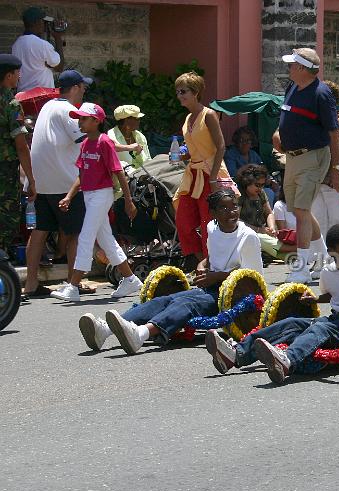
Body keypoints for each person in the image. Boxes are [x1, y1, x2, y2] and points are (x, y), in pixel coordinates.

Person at [77, 189, 263, 355]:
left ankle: (141, 334)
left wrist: (216, 276)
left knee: (185, 304)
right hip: (211, 285)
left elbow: (252, 278)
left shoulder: (248, 237)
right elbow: (212, 258)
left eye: (234, 207)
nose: (232, 212)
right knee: (164, 300)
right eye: (223, 208)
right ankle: (105, 330)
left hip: (233, 296)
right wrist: (202, 265)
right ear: (212, 213)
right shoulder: (212, 228)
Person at [205, 224, 339, 382]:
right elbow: (332, 296)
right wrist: (316, 299)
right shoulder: (328, 272)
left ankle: (287, 359)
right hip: (336, 320)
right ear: (332, 251)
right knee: (291, 323)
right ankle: (236, 354)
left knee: (320, 330)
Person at [50, 103, 142, 302]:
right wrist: (69, 196)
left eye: (83, 118)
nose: (79, 122)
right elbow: (82, 175)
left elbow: (119, 172)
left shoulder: (104, 142)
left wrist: (128, 200)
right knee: (107, 240)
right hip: (89, 195)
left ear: (96, 121)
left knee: (86, 237)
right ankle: (130, 279)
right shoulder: (84, 143)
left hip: (102, 194)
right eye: (79, 118)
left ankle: (73, 286)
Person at [272, 48, 339, 284]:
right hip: (292, 157)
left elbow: (335, 133)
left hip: (313, 157)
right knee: (299, 210)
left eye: (292, 64)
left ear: (303, 68)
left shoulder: (321, 94)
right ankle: (324, 257)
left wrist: (336, 169)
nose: (289, 67)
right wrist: (278, 133)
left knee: (301, 211)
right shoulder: (292, 88)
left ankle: (301, 268)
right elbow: (287, 116)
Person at [23, 69, 91, 298]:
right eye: (83, 87)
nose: (84, 92)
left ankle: (31, 284)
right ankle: (74, 283)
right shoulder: (69, 110)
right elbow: (86, 140)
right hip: (65, 183)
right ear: (74, 88)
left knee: (40, 232)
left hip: (43, 183)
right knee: (75, 233)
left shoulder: (48, 107)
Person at [174, 71, 236, 262]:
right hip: (193, 173)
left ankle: (211, 264)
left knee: (208, 221)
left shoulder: (208, 114)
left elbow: (221, 146)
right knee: (183, 219)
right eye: (177, 92)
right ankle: (202, 261)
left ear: (195, 92)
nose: (179, 95)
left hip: (210, 172)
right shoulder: (188, 118)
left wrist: (214, 178)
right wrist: (182, 154)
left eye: (183, 91)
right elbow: (194, 148)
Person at [0, 54, 35, 257]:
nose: (19, 77)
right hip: (5, 172)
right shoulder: (11, 105)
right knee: (7, 218)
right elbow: (21, 146)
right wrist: (31, 179)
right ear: (8, 75)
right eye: (17, 73)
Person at [310, 80, 339, 240]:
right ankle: (324, 258)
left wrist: (336, 171)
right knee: (319, 219)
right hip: (318, 178)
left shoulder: (337, 120)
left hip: (332, 179)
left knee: (337, 221)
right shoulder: (316, 118)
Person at [236, 164, 294, 261]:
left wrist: (271, 227)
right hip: (246, 234)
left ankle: (290, 255)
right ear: (246, 182)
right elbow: (237, 221)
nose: (260, 188)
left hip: (263, 232)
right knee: (259, 238)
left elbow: (269, 213)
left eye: (262, 185)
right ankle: (296, 249)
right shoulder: (239, 195)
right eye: (257, 185)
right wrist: (259, 230)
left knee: (271, 239)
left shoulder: (261, 193)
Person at [11, 7, 65, 92]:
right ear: (36, 22)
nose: (44, 25)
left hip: (23, 95)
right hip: (42, 95)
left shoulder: (16, 45)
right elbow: (59, 67)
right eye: (43, 22)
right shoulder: (42, 44)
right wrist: (58, 38)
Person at [107, 105, 150, 171]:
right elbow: (110, 146)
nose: (139, 121)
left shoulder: (140, 136)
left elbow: (148, 159)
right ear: (126, 120)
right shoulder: (111, 134)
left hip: (143, 175)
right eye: (137, 119)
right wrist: (130, 147)